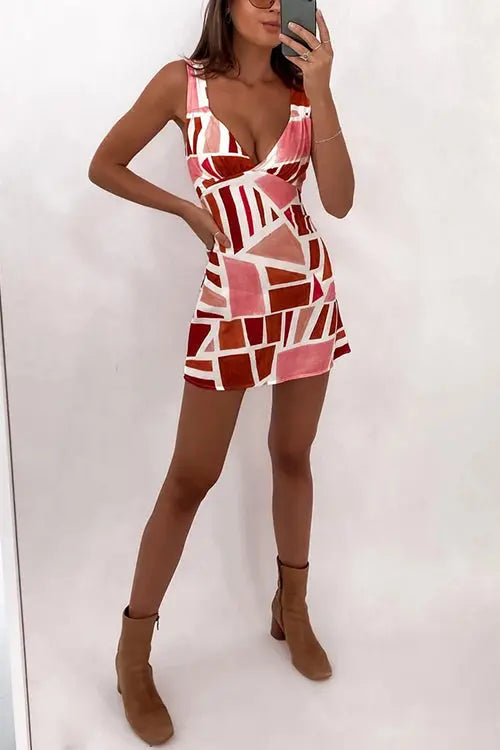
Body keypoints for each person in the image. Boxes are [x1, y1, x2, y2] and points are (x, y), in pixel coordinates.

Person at [88, 0, 354, 744]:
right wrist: (182, 208)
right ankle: (133, 655)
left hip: (304, 296)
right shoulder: (182, 83)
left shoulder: (302, 88)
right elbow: (104, 165)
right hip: (231, 302)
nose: (270, 4)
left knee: (293, 455)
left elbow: (338, 201)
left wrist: (323, 88)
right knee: (189, 478)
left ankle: (291, 610)